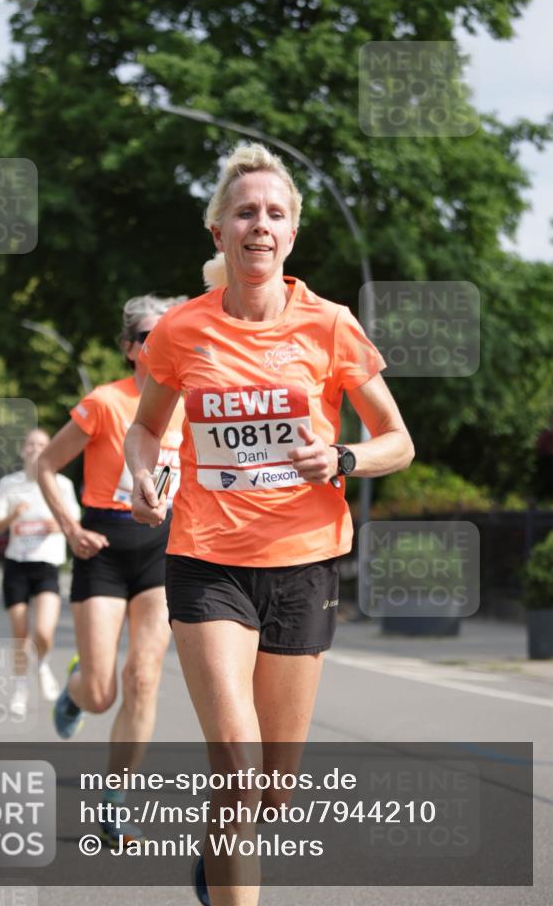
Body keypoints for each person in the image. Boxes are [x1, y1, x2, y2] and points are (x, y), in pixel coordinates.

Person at [124, 143, 415, 905]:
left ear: (290, 235)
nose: (260, 223)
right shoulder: (181, 332)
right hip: (206, 561)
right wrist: (145, 476)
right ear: (217, 231)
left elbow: (398, 441)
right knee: (237, 765)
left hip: (303, 562)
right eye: (244, 211)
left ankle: (216, 863)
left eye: (275, 213)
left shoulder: (330, 326)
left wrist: (342, 457)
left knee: (271, 791)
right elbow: (148, 428)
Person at [37, 294, 185, 845]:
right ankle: (76, 691)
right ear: (130, 349)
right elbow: (46, 466)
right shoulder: (103, 403)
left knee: (143, 678)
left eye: (168, 333)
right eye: (148, 337)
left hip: (162, 552)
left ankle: (117, 793)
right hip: (102, 549)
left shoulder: (191, 405)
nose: (159, 343)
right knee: (103, 692)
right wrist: (70, 528)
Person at [0, 429, 79, 715]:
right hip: (16, 564)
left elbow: (76, 519)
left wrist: (60, 524)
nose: (35, 448)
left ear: (50, 448)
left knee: (43, 631)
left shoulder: (62, 484)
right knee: (20, 633)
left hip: (47, 564)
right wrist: (13, 516)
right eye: (30, 444)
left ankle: (42, 664)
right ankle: (20, 689)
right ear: (23, 450)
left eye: (41, 444)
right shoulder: (9, 485)